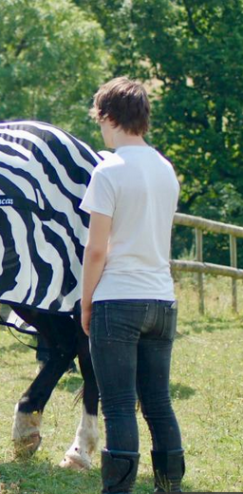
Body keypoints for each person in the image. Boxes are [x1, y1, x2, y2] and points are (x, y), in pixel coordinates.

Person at [81, 77, 183, 492]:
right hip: (162, 300)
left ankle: (117, 490)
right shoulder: (165, 169)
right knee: (158, 403)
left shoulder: (109, 170)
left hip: (118, 299)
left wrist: (86, 302)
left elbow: (96, 250)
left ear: (108, 117)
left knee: (119, 405)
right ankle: (169, 487)